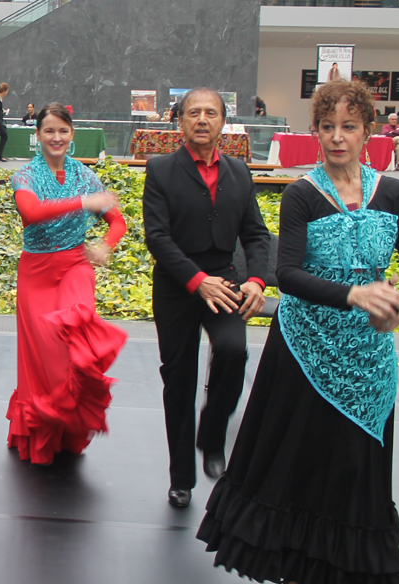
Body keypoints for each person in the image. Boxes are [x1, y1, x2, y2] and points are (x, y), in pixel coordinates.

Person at [197, 80, 399, 584]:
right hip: (303, 351)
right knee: (302, 462)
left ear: (368, 132)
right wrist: (353, 294)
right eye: (327, 127)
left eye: (348, 127)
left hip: (368, 357)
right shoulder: (302, 194)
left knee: (353, 468)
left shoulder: (392, 195)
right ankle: (296, 577)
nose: (336, 138)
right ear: (315, 131)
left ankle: (341, 580)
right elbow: (291, 275)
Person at [143, 87, 270, 509]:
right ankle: (181, 477)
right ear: (180, 122)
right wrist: (197, 280)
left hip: (227, 280)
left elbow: (254, 234)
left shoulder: (239, 172)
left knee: (234, 351)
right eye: (193, 112)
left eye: (210, 113)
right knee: (178, 380)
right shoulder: (161, 169)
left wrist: (255, 280)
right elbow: (157, 238)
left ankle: (212, 434)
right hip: (178, 285)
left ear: (222, 122)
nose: (202, 119)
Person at [6, 102, 128, 465]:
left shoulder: (86, 176)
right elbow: (32, 213)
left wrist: (106, 246)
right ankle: (44, 433)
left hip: (75, 266)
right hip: (36, 272)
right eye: (49, 131)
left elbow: (117, 222)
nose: (56, 137)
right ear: (38, 135)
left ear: (72, 134)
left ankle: (69, 429)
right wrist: (83, 202)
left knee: (76, 346)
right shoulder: (25, 176)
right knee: (45, 356)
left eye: (62, 130)